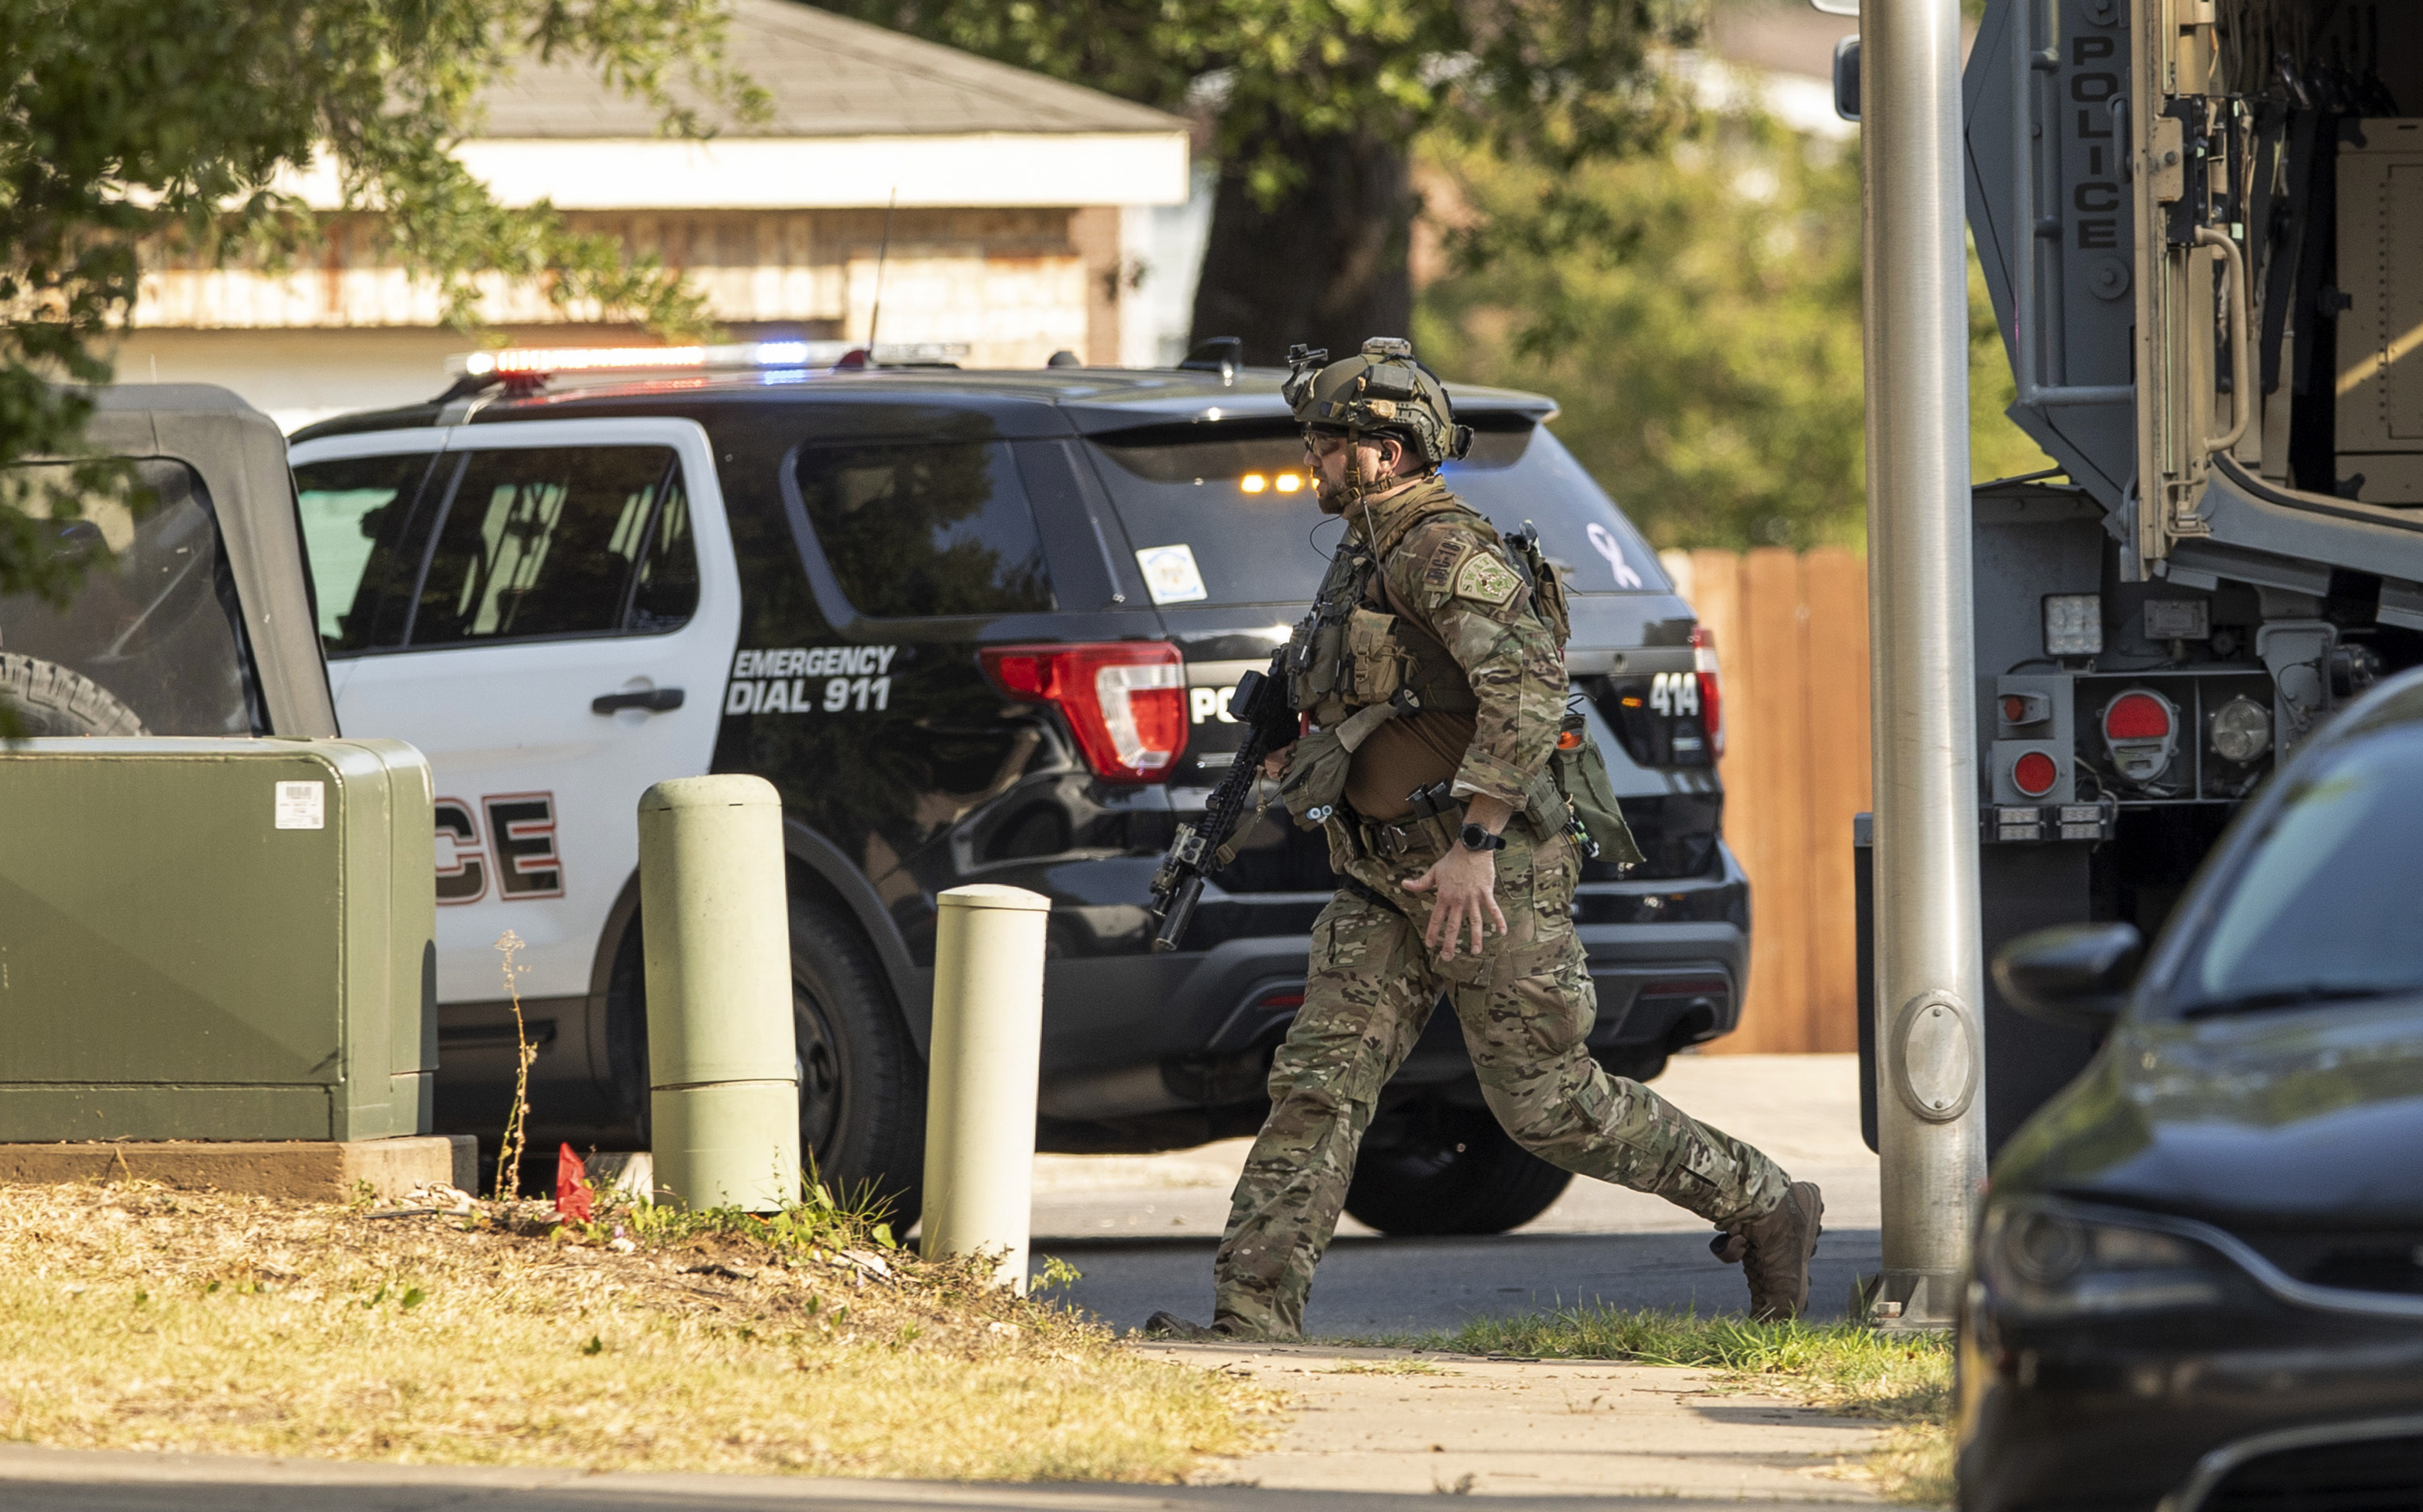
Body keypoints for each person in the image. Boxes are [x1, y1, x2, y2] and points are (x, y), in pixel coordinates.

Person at [1144, 338, 1821, 1342]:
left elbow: (1532, 692)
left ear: (1390, 449)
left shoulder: (1443, 551)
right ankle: (1252, 1317)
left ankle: (1765, 1203)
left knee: (1547, 1104)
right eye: (1316, 442)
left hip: (1487, 875)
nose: (1314, 462)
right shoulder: (1365, 548)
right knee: (1317, 1087)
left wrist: (1474, 843)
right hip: (1386, 875)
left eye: (1331, 444)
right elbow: (1391, 692)